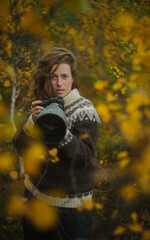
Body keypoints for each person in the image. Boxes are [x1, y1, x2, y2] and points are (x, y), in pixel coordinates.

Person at [13, 47, 101, 240]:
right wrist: (32, 123)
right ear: (46, 79)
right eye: (53, 77)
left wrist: (58, 131)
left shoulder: (84, 110)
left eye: (64, 76)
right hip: (35, 197)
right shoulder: (42, 104)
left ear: (73, 78)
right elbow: (20, 148)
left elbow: (84, 157)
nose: (59, 83)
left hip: (69, 208)